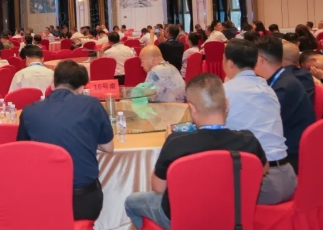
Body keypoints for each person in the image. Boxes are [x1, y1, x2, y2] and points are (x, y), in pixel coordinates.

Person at [124, 73, 268, 230]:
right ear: (227, 105)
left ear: (191, 108)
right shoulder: (249, 141)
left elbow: (158, 187)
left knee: (131, 202)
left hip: (182, 219)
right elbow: (262, 169)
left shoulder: (176, 142)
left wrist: (167, 145)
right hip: (232, 216)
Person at [18, 60, 113, 221]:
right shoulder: (92, 104)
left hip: (43, 197)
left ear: (52, 84)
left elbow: (23, 151)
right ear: (81, 88)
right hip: (84, 200)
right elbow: (108, 147)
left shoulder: (29, 111)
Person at [222, 39, 297, 204]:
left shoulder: (224, 92)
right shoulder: (268, 89)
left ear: (230, 63)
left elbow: (211, 132)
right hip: (289, 177)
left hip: (262, 182)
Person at [254, 36, 315, 173]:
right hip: (289, 146)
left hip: (289, 158)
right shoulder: (281, 79)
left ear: (261, 60)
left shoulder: (283, 87)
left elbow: (264, 124)